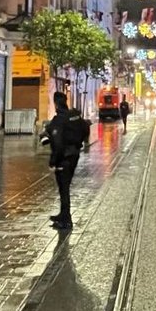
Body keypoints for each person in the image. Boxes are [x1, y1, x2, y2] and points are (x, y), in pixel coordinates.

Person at [43, 91, 91, 231]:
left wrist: (53, 161)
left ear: (56, 103)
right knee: (65, 186)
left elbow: (57, 144)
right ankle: (63, 214)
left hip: (64, 158)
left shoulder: (59, 120)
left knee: (64, 188)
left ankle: (66, 219)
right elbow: (86, 127)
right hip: (74, 154)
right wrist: (79, 142)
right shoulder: (73, 116)